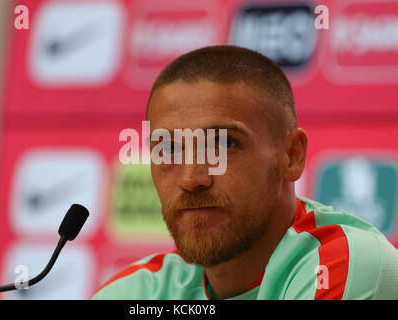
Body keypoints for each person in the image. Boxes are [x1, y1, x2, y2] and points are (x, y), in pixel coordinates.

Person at [92, 45, 398, 300]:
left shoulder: (344, 265)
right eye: (169, 149)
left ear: (291, 156)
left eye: (224, 144)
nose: (191, 178)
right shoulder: (138, 292)